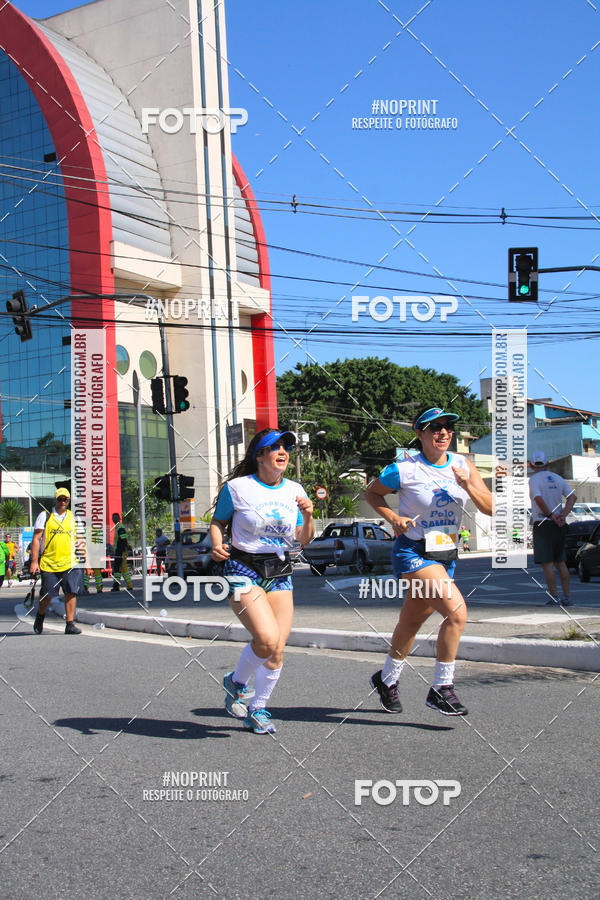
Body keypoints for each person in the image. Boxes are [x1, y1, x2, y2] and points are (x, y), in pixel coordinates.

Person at [364, 407, 493, 717]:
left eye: (448, 426)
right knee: (457, 612)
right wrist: (394, 517)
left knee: (411, 622)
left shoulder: (464, 465)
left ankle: (386, 679)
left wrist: (468, 485)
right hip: (413, 552)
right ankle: (442, 689)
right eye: (434, 427)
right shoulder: (404, 469)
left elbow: (490, 508)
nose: (443, 432)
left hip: (445, 553)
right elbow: (372, 494)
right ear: (419, 433)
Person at [210, 428, 314, 734]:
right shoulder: (238, 488)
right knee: (267, 639)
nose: (283, 452)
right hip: (243, 570)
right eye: (275, 448)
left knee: (277, 648)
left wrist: (307, 517)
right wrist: (217, 543)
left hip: (279, 570)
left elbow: (302, 539)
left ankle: (256, 706)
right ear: (259, 456)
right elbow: (218, 522)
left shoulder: (294, 490)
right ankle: (236, 682)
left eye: (286, 448)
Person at [29, 488, 85, 634]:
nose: (62, 502)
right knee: (47, 595)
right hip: (49, 563)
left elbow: (80, 539)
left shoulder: (74, 517)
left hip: (70, 562)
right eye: (60, 499)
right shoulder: (45, 516)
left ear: (68, 501)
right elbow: (36, 539)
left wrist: (86, 559)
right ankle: (40, 615)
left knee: (71, 592)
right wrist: (34, 562)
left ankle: (70, 624)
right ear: (55, 499)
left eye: (65, 499)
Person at [529, 451, 576, 606]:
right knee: (560, 561)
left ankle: (554, 596)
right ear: (547, 463)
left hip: (543, 522)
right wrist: (562, 515)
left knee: (547, 563)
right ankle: (567, 596)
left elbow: (538, 498)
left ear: (531, 465)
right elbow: (572, 497)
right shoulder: (558, 478)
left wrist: (550, 515)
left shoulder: (534, 479)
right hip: (559, 524)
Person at [111, 513, 133, 592]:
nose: (114, 519)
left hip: (121, 551)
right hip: (119, 551)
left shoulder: (120, 528)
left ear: (119, 519)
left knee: (121, 568)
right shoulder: (117, 528)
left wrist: (125, 549)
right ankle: (119, 585)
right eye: (113, 518)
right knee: (120, 569)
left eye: (115, 518)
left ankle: (120, 586)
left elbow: (124, 540)